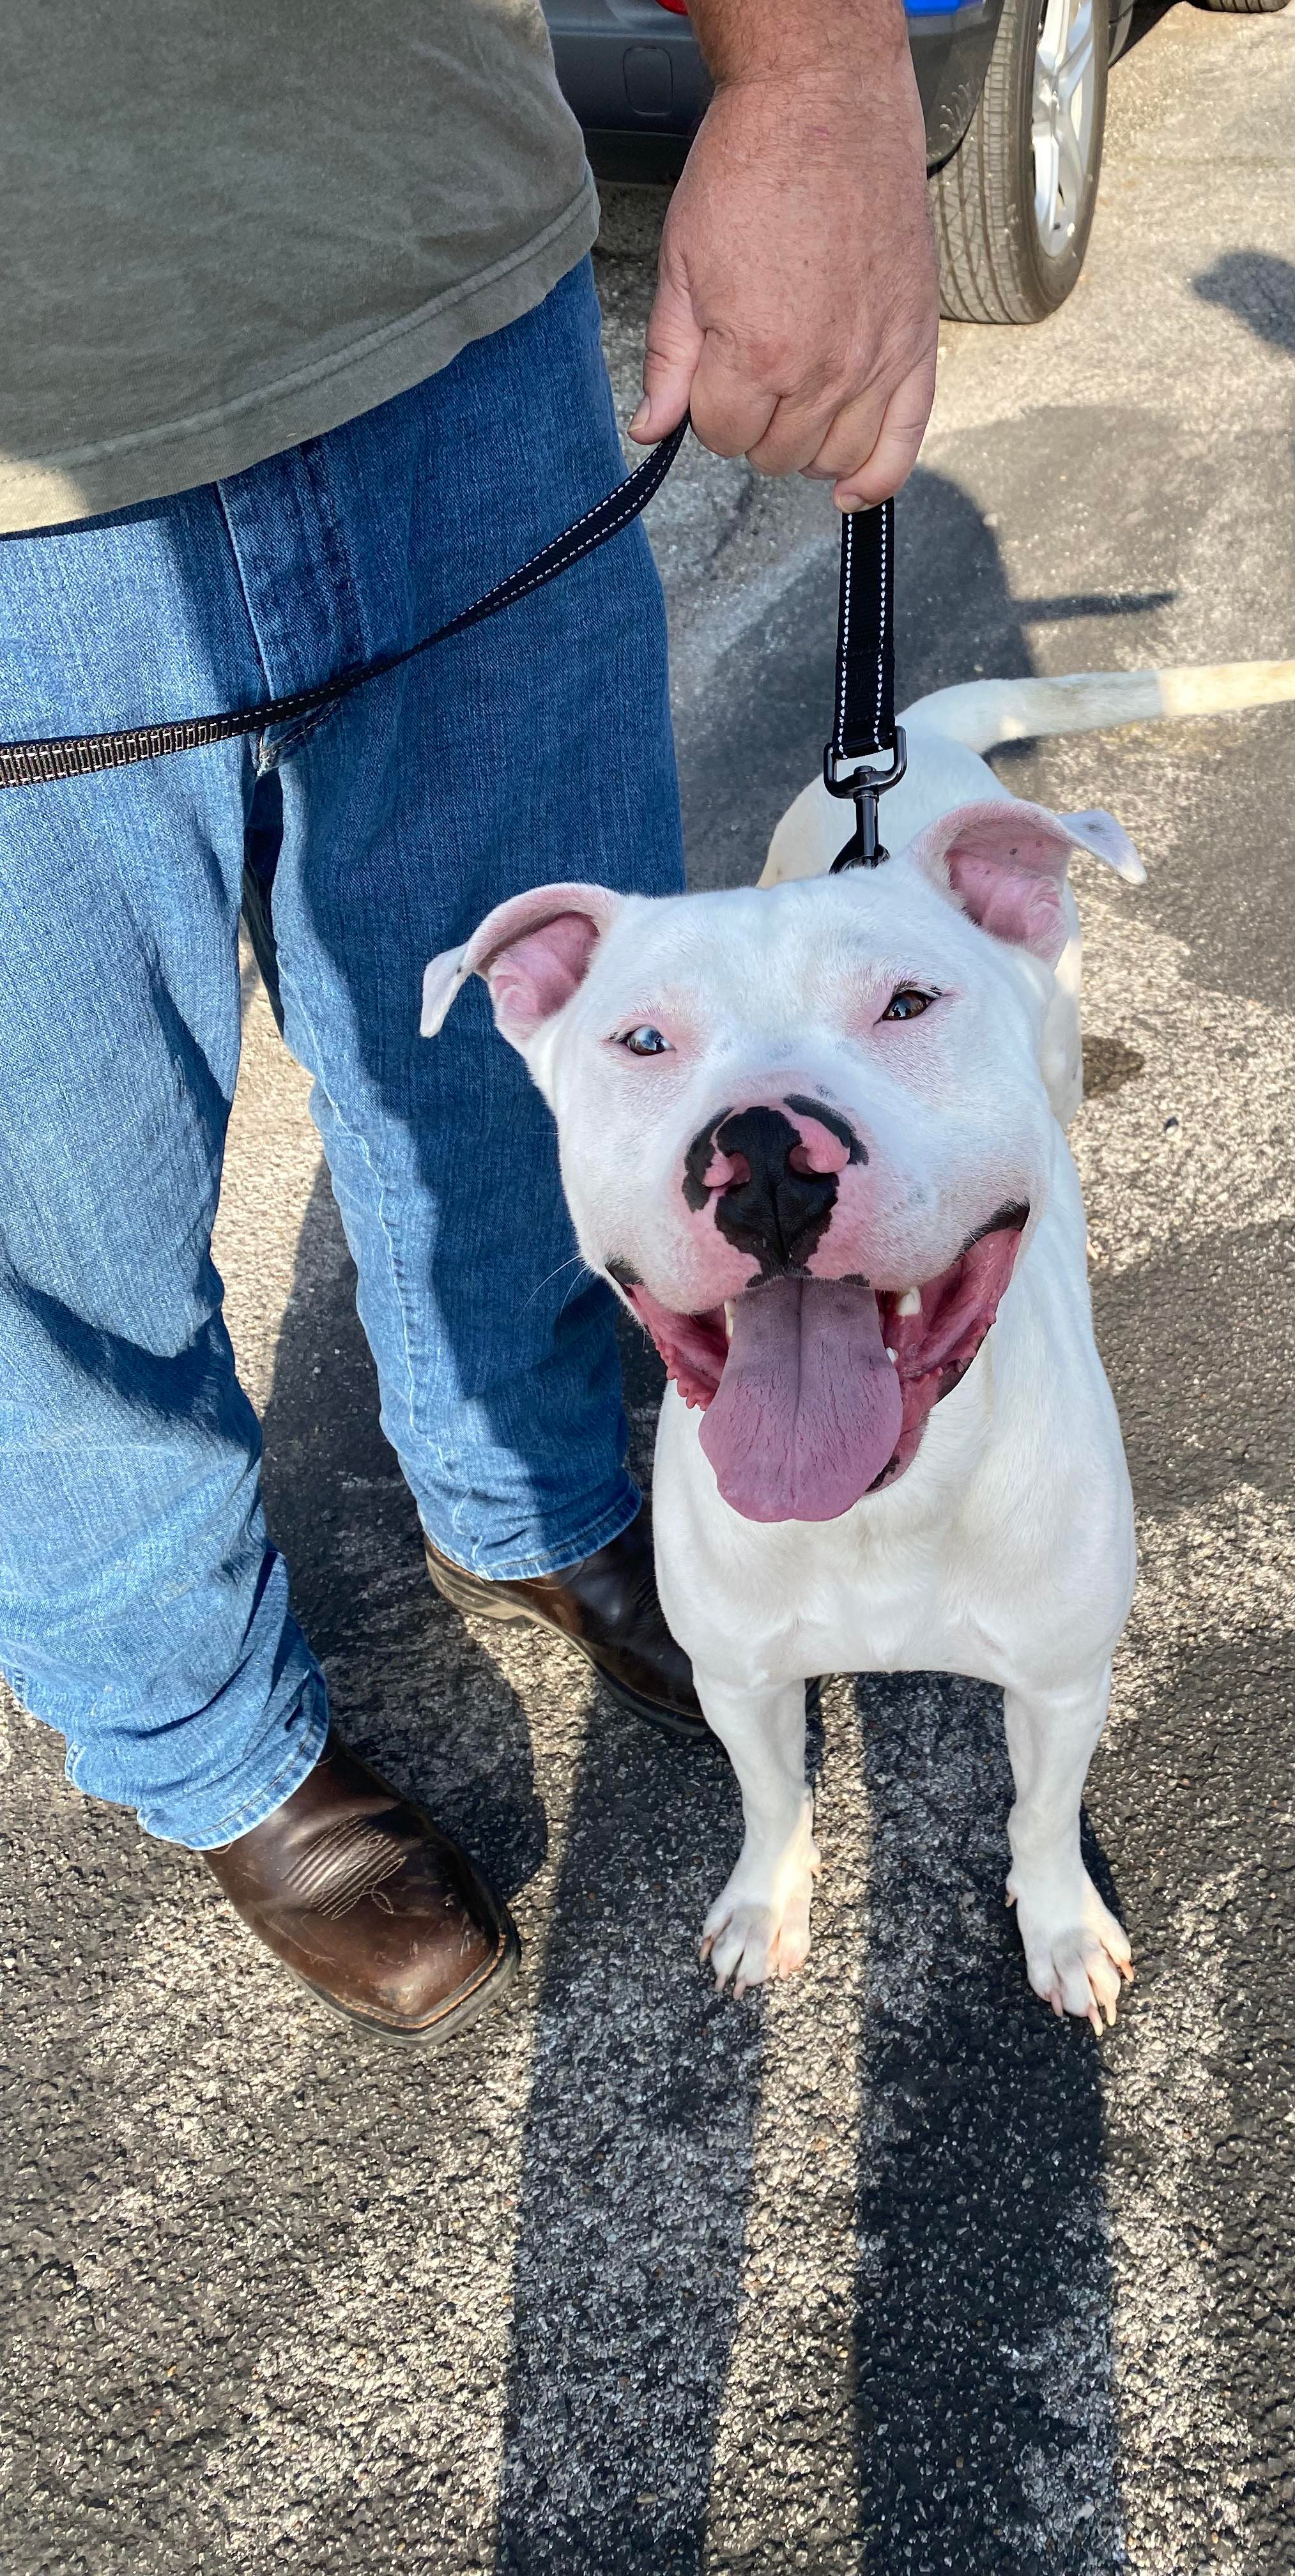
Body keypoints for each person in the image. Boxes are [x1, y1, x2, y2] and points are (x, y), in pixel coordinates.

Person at [0, 1, 939, 2044]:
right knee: (42, 1225)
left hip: (436, 289)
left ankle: (534, 1492)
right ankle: (198, 1730)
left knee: (547, 1084)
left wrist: (814, 69)